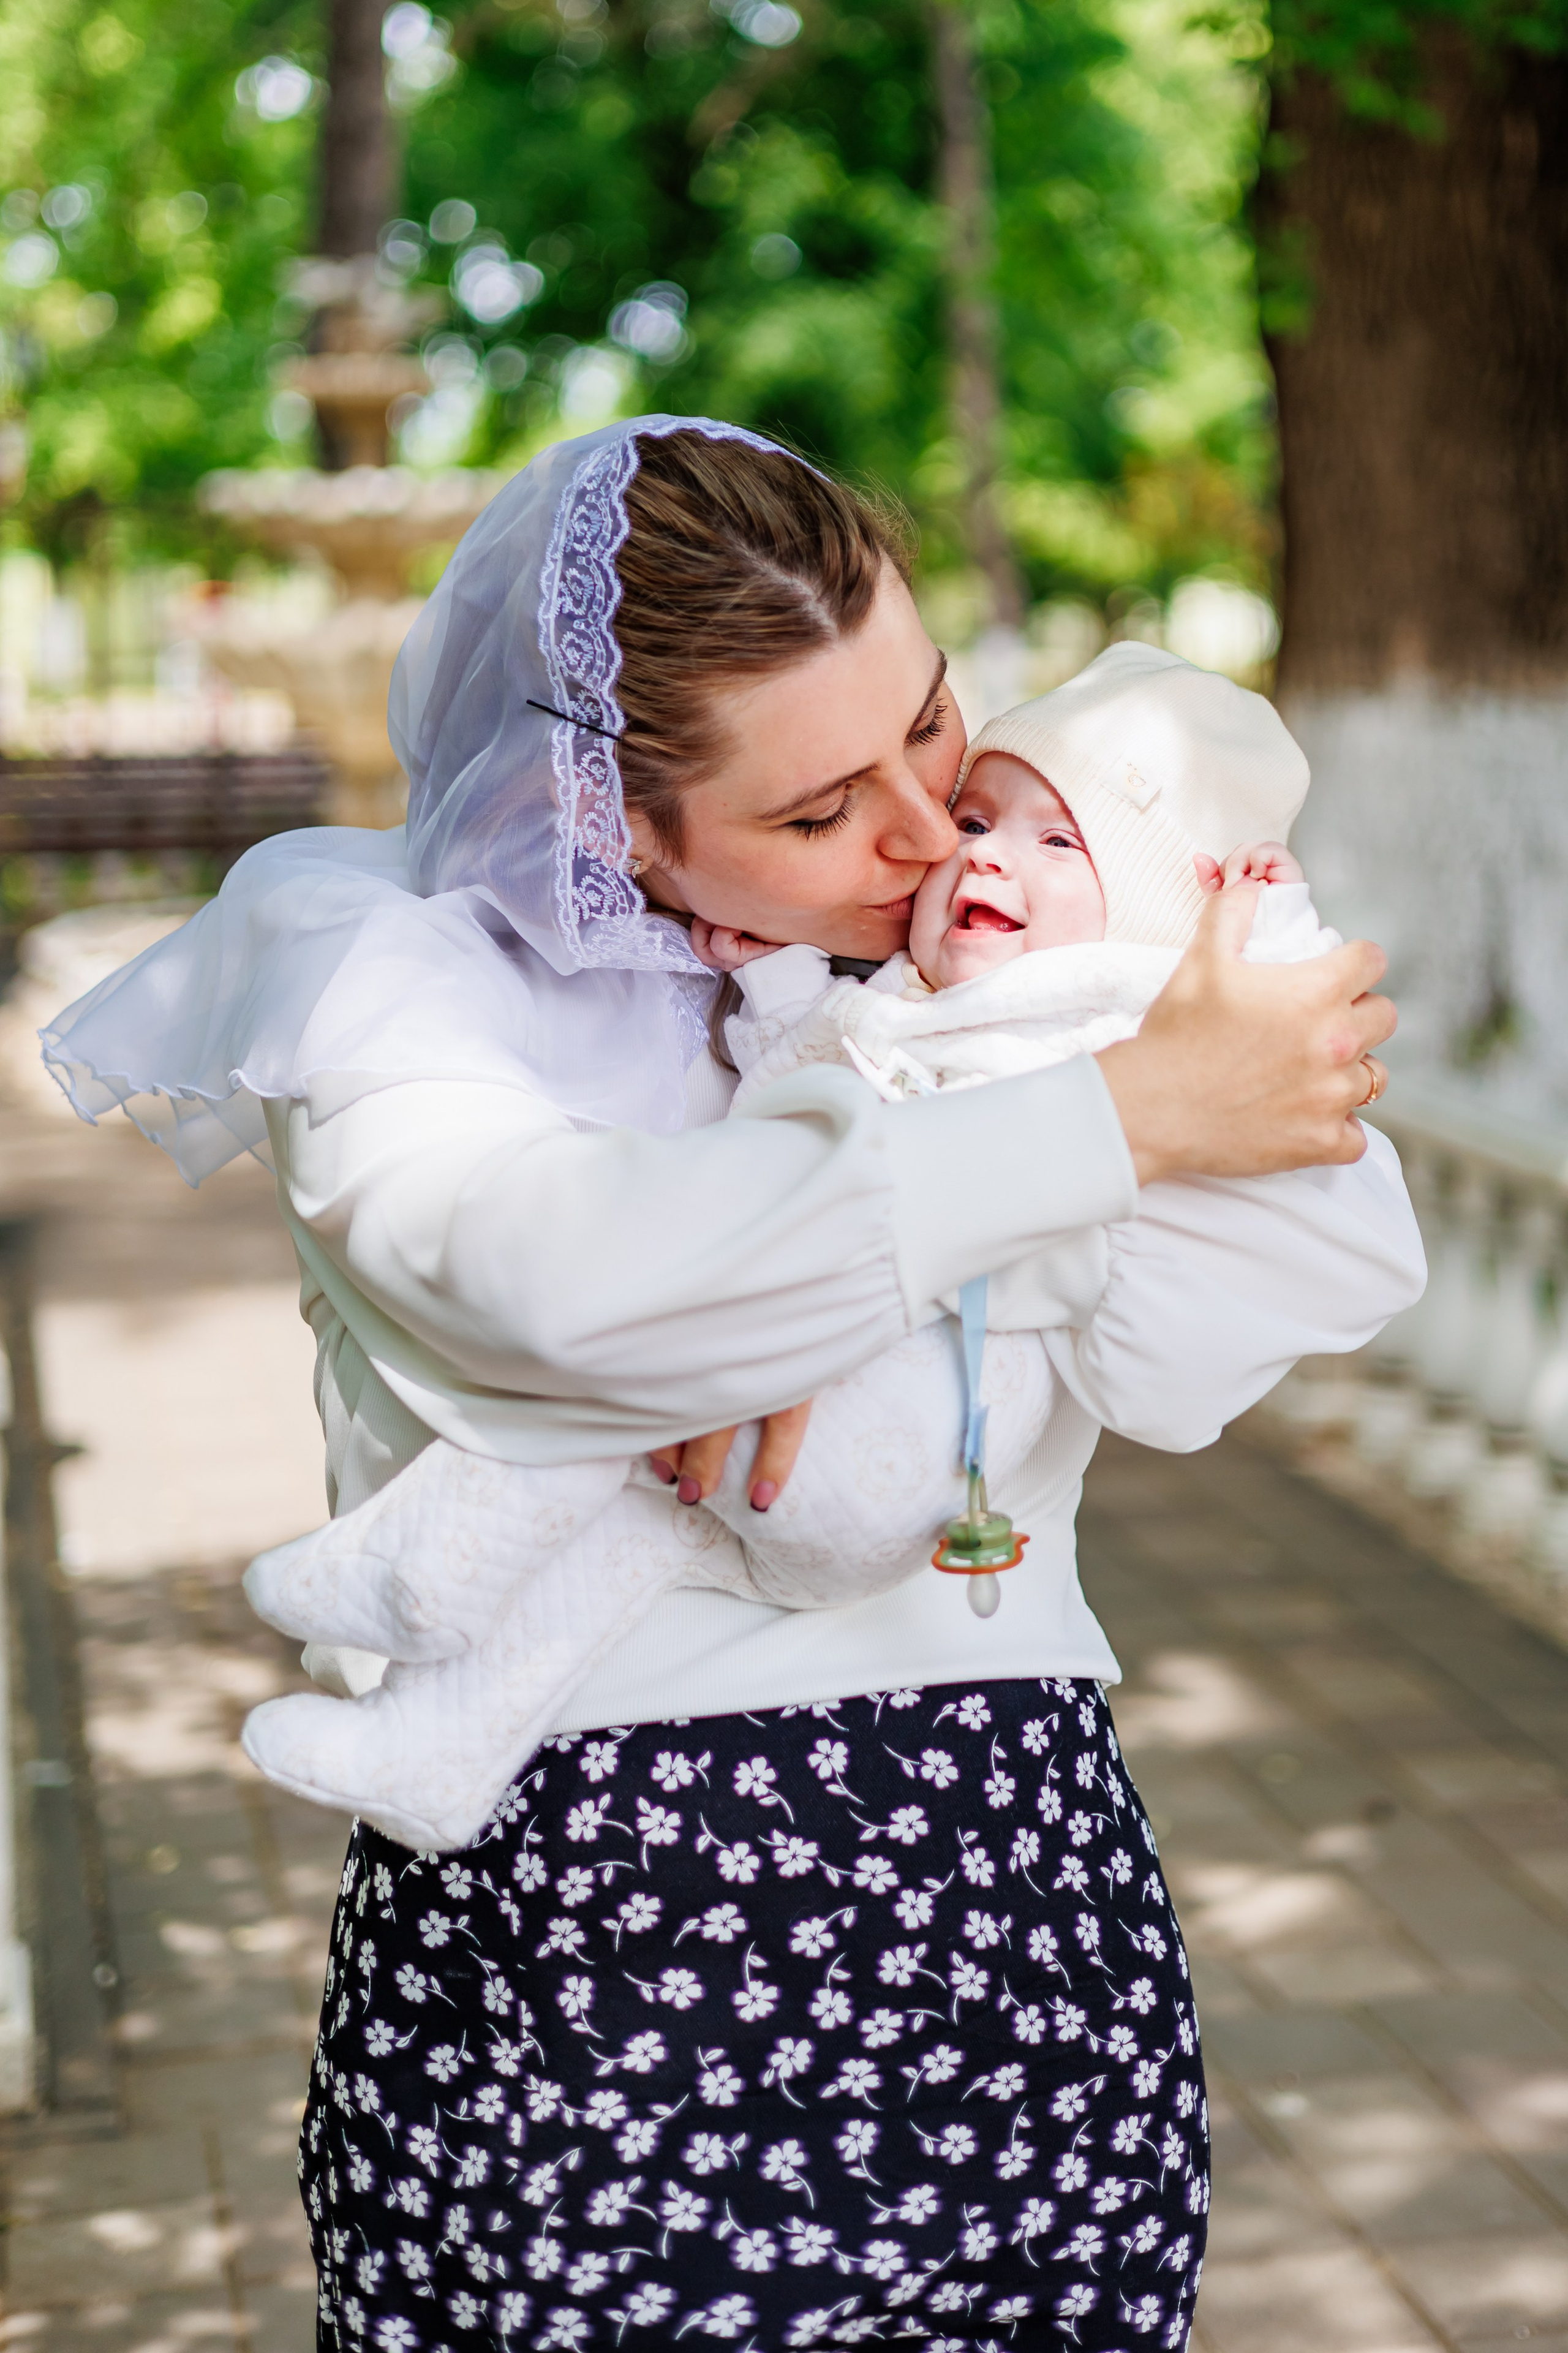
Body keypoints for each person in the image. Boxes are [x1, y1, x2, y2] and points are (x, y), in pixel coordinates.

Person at [42, 419, 1398, 2353]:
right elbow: (551, 1282)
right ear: (605, 821)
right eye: (823, 809)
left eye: (931, 724)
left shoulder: (958, 952)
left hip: (1013, 1899)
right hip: (606, 1954)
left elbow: (1249, 1297)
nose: (928, 835)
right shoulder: (395, 979)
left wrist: (1114, 1073)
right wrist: (1110, 1127)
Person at [232, 643, 1420, 1866]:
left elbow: (1278, 1148)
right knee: (645, 1498)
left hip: (917, 1541)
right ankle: (433, 1736)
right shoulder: (401, 967)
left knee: (636, 1419)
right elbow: (781, 1108)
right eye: (976, 815)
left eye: (1057, 842)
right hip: (722, 1673)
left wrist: (1263, 932)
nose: (968, 849)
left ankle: (418, 1570)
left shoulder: (1115, 1013)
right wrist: (789, 1007)